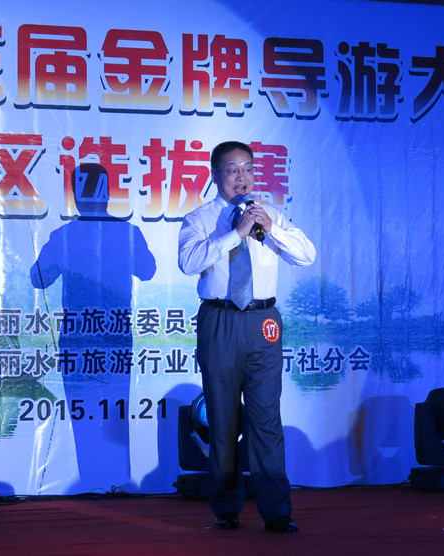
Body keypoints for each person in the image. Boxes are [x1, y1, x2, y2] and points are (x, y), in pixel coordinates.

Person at [177, 141, 315, 532]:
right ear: (215, 175)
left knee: (266, 418)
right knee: (222, 419)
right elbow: (188, 262)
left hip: (263, 322)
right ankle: (226, 506)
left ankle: (278, 511)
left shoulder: (270, 215)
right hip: (219, 319)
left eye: (248, 169)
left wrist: (272, 230)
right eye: (233, 170)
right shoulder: (200, 219)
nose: (243, 177)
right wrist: (234, 235)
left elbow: (306, 256)